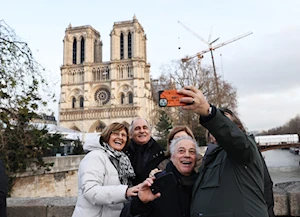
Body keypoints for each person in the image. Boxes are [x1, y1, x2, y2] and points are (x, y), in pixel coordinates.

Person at [177, 86, 269, 217]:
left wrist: (209, 113)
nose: (216, 130)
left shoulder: (244, 151)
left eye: (223, 123)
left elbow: (234, 140)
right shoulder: (210, 159)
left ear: (238, 129)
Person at [72, 122, 140, 217]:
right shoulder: (95, 156)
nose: (120, 137)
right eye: (116, 133)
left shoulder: (122, 160)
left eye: (124, 135)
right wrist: (125, 192)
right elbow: (91, 192)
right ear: (107, 136)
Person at [121, 136, 200, 217]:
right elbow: (125, 214)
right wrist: (140, 202)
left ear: (196, 158)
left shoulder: (201, 183)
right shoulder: (157, 182)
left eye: (192, 152)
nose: (187, 155)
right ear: (172, 156)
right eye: (181, 151)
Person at [220, 107, 275, 217]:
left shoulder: (247, 153)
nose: (221, 131)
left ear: (238, 129)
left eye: (225, 125)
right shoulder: (209, 160)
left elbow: (266, 186)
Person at [125, 118, 166, 185]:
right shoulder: (123, 153)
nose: (142, 131)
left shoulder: (161, 153)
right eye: (137, 128)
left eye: (145, 128)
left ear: (150, 131)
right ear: (131, 133)